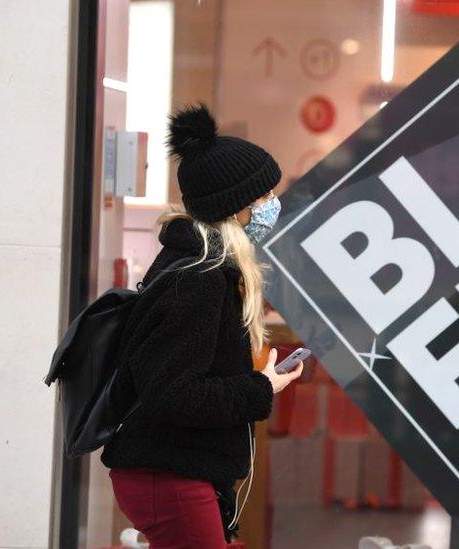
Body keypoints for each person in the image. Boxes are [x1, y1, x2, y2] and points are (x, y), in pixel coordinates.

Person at [101, 103, 303, 548]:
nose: (273, 205)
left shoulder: (200, 266)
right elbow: (172, 393)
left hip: (179, 471)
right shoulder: (199, 277)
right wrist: (260, 388)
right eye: (264, 197)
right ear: (235, 208)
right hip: (169, 476)